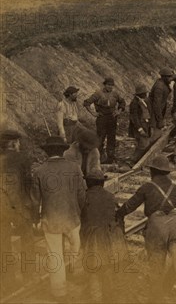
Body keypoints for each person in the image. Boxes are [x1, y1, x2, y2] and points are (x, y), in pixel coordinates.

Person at [116, 155, 176, 303]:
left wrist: (118, 214)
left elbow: (129, 206)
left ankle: (156, 300)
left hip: (157, 229)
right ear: (167, 172)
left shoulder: (147, 188)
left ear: (152, 171)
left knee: (156, 267)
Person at [31, 136, 86, 299]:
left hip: (51, 219)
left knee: (55, 254)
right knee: (75, 247)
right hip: (72, 217)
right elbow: (82, 194)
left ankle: (58, 292)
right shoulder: (74, 168)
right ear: (63, 151)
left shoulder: (39, 171)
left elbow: (35, 200)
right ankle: (72, 272)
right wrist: (79, 210)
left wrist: (35, 218)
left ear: (47, 152)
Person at [80, 169, 128, 303]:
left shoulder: (84, 197)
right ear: (102, 183)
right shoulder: (110, 196)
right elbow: (119, 217)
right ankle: (110, 297)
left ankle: (97, 299)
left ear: (88, 183)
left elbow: (82, 222)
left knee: (94, 272)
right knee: (109, 271)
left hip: (94, 239)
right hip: (112, 237)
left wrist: (82, 242)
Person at [0, 129, 34, 297]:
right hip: (21, 208)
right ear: (13, 143)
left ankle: (8, 283)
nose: (19, 144)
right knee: (27, 243)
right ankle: (29, 278)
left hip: (2, 211)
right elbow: (28, 185)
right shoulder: (22, 159)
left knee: (3, 246)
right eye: (18, 142)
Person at [83, 77, 126, 164]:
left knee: (111, 138)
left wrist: (118, 111)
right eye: (108, 85)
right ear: (105, 85)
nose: (110, 87)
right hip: (102, 118)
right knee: (100, 138)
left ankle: (110, 157)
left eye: (111, 85)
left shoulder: (115, 94)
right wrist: (93, 113)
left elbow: (122, 102)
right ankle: (98, 157)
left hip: (112, 118)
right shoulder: (98, 94)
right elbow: (86, 103)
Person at [129, 84, 151, 164]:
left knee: (142, 144)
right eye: (144, 93)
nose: (146, 94)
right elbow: (134, 118)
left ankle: (138, 161)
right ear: (140, 93)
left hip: (144, 125)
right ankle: (133, 160)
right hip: (139, 127)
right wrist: (140, 129)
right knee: (144, 144)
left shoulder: (141, 101)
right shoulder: (134, 103)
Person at [149, 68, 173, 142]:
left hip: (157, 112)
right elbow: (157, 104)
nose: (170, 79)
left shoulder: (163, 83)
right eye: (169, 77)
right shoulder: (159, 87)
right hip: (153, 113)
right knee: (154, 134)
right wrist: (160, 119)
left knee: (156, 133)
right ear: (164, 77)